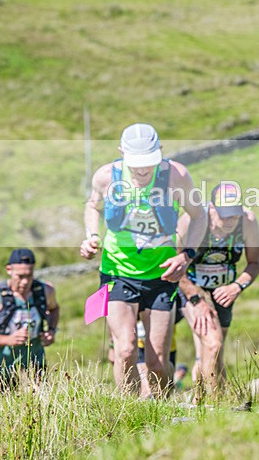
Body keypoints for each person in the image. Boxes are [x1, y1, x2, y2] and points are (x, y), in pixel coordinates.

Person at [80, 123, 207, 396]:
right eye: (136, 164)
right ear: (121, 153)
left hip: (161, 275)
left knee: (157, 361)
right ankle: (129, 412)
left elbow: (199, 215)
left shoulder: (177, 176)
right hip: (117, 271)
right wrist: (91, 235)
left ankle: (159, 412)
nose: (142, 171)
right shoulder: (106, 177)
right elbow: (92, 205)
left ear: (160, 153)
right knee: (125, 350)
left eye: (148, 163)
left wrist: (187, 255)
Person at [178, 181, 259, 397]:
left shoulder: (248, 221)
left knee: (216, 350)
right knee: (213, 343)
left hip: (224, 290)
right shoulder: (192, 221)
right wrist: (197, 299)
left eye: (235, 215)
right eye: (225, 216)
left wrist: (236, 286)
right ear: (212, 208)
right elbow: (174, 264)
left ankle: (204, 402)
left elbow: (254, 263)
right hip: (192, 287)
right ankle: (214, 404)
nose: (230, 221)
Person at [0, 249, 60, 385]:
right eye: (20, 276)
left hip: (36, 368)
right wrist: (8, 339)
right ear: (9, 270)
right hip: (2, 370)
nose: (25, 282)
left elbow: (54, 308)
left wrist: (51, 330)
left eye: (29, 275)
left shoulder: (45, 291)